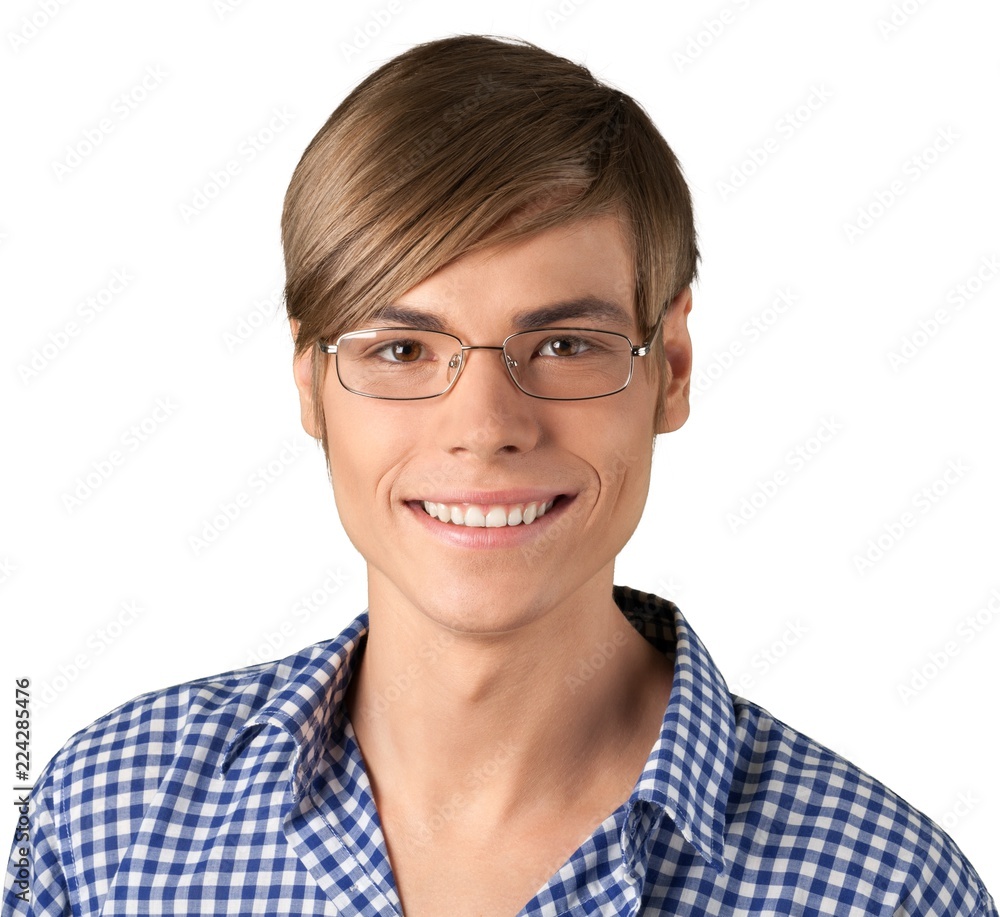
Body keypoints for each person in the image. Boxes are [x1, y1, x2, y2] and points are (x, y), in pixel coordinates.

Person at [5, 33, 995, 917]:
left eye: (564, 343)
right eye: (401, 350)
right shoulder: (102, 828)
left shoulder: (890, 890)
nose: (484, 427)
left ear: (673, 367)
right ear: (310, 379)